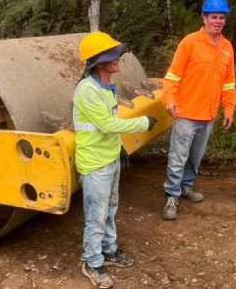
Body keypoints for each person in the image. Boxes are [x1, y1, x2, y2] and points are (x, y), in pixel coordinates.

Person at [74, 32, 157, 288]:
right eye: (114, 56)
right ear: (99, 62)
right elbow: (108, 123)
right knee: (96, 215)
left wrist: (119, 148)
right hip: (95, 164)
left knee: (110, 210)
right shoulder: (88, 90)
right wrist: (144, 122)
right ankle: (92, 261)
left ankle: (109, 251)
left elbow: (107, 126)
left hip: (109, 159)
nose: (119, 59)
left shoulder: (106, 85)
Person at [160, 0, 236, 220]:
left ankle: (186, 187)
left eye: (222, 17)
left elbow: (229, 81)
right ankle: (171, 195)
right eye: (214, 17)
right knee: (178, 157)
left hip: (209, 114)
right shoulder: (190, 43)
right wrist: (169, 99)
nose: (218, 21)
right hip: (186, 112)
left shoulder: (227, 48)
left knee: (195, 156)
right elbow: (173, 76)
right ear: (204, 18)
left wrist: (229, 108)